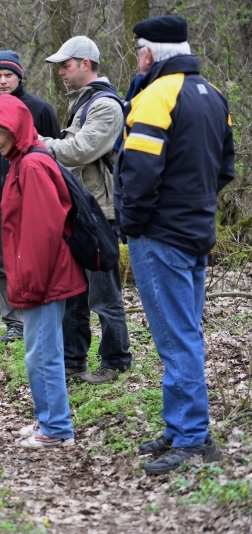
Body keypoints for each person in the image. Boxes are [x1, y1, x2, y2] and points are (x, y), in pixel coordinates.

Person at [115, 15, 234, 474]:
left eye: (138, 52)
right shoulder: (213, 95)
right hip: (197, 230)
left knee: (175, 335)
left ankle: (192, 437)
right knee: (183, 331)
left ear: (148, 54)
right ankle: (178, 424)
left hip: (160, 236)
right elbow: (225, 168)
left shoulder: (154, 96)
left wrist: (135, 223)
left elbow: (140, 174)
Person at [0, 94, 86, 448]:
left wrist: (30, 285)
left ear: (14, 129)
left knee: (43, 354)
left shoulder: (33, 166)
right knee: (40, 352)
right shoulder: (20, 161)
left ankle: (55, 428)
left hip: (43, 279)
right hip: (37, 278)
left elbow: (43, 231)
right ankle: (48, 421)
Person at [41, 36, 132, 385]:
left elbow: (80, 150)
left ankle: (115, 360)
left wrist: (40, 143)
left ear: (86, 64)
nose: (61, 72)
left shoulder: (105, 105)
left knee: (104, 293)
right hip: (81, 210)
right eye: (60, 66)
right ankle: (73, 362)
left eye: (66, 65)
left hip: (102, 214)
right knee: (73, 292)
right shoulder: (82, 103)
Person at [0, 50, 61, 344]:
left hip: (32, 197)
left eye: (8, 75)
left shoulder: (39, 109)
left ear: (19, 76)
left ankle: (43, 315)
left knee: (36, 257)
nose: (3, 80)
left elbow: (53, 150)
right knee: (3, 261)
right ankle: (14, 321)